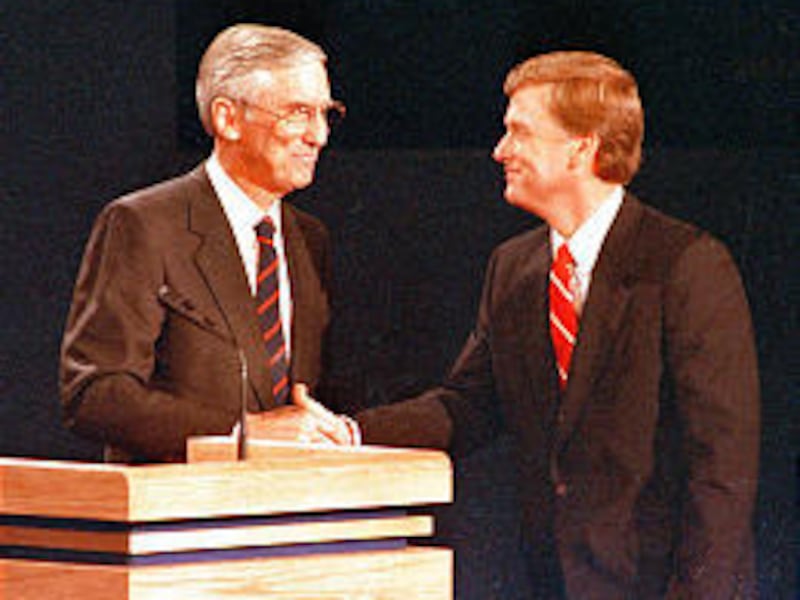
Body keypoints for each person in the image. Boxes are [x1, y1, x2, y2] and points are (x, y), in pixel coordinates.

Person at [355, 51, 760, 598]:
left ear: (582, 146)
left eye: (519, 132)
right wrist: (349, 433)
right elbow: (467, 404)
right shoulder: (513, 268)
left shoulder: (685, 265)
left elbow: (723, 469)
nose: (500, 151)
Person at [60, 24, 356, 463]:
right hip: (180, 515)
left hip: (295, 514)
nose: (319, 135)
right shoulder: (145, 225)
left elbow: (304, 399)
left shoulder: (308, 239)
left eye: (324, 113)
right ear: (227, 118)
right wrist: (239, 433)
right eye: (297, 112)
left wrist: (333, 429)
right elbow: (95, 393)